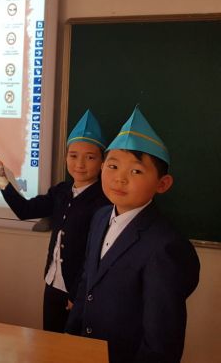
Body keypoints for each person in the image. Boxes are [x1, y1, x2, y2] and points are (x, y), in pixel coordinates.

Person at [66, 106, 200, 363]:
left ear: (163, 184)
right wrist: (71, 340)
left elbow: (162, 343)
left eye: (135, 171)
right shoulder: (100, 217)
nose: (119, 179)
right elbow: (87, 283)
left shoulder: (166, 246)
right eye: (113, 166)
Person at [0, 109, 110, 332]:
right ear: (66, 158)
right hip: (53, 283)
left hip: (78, 292)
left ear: (103, 162)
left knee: (73, 347)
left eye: (90, 157)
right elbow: (24, 210)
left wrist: (79, 293)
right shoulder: (61, 191)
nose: (80, 164)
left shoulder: (104, 202)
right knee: (49, 342)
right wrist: (2, 178)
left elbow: (96, 254)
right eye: (73, 156)